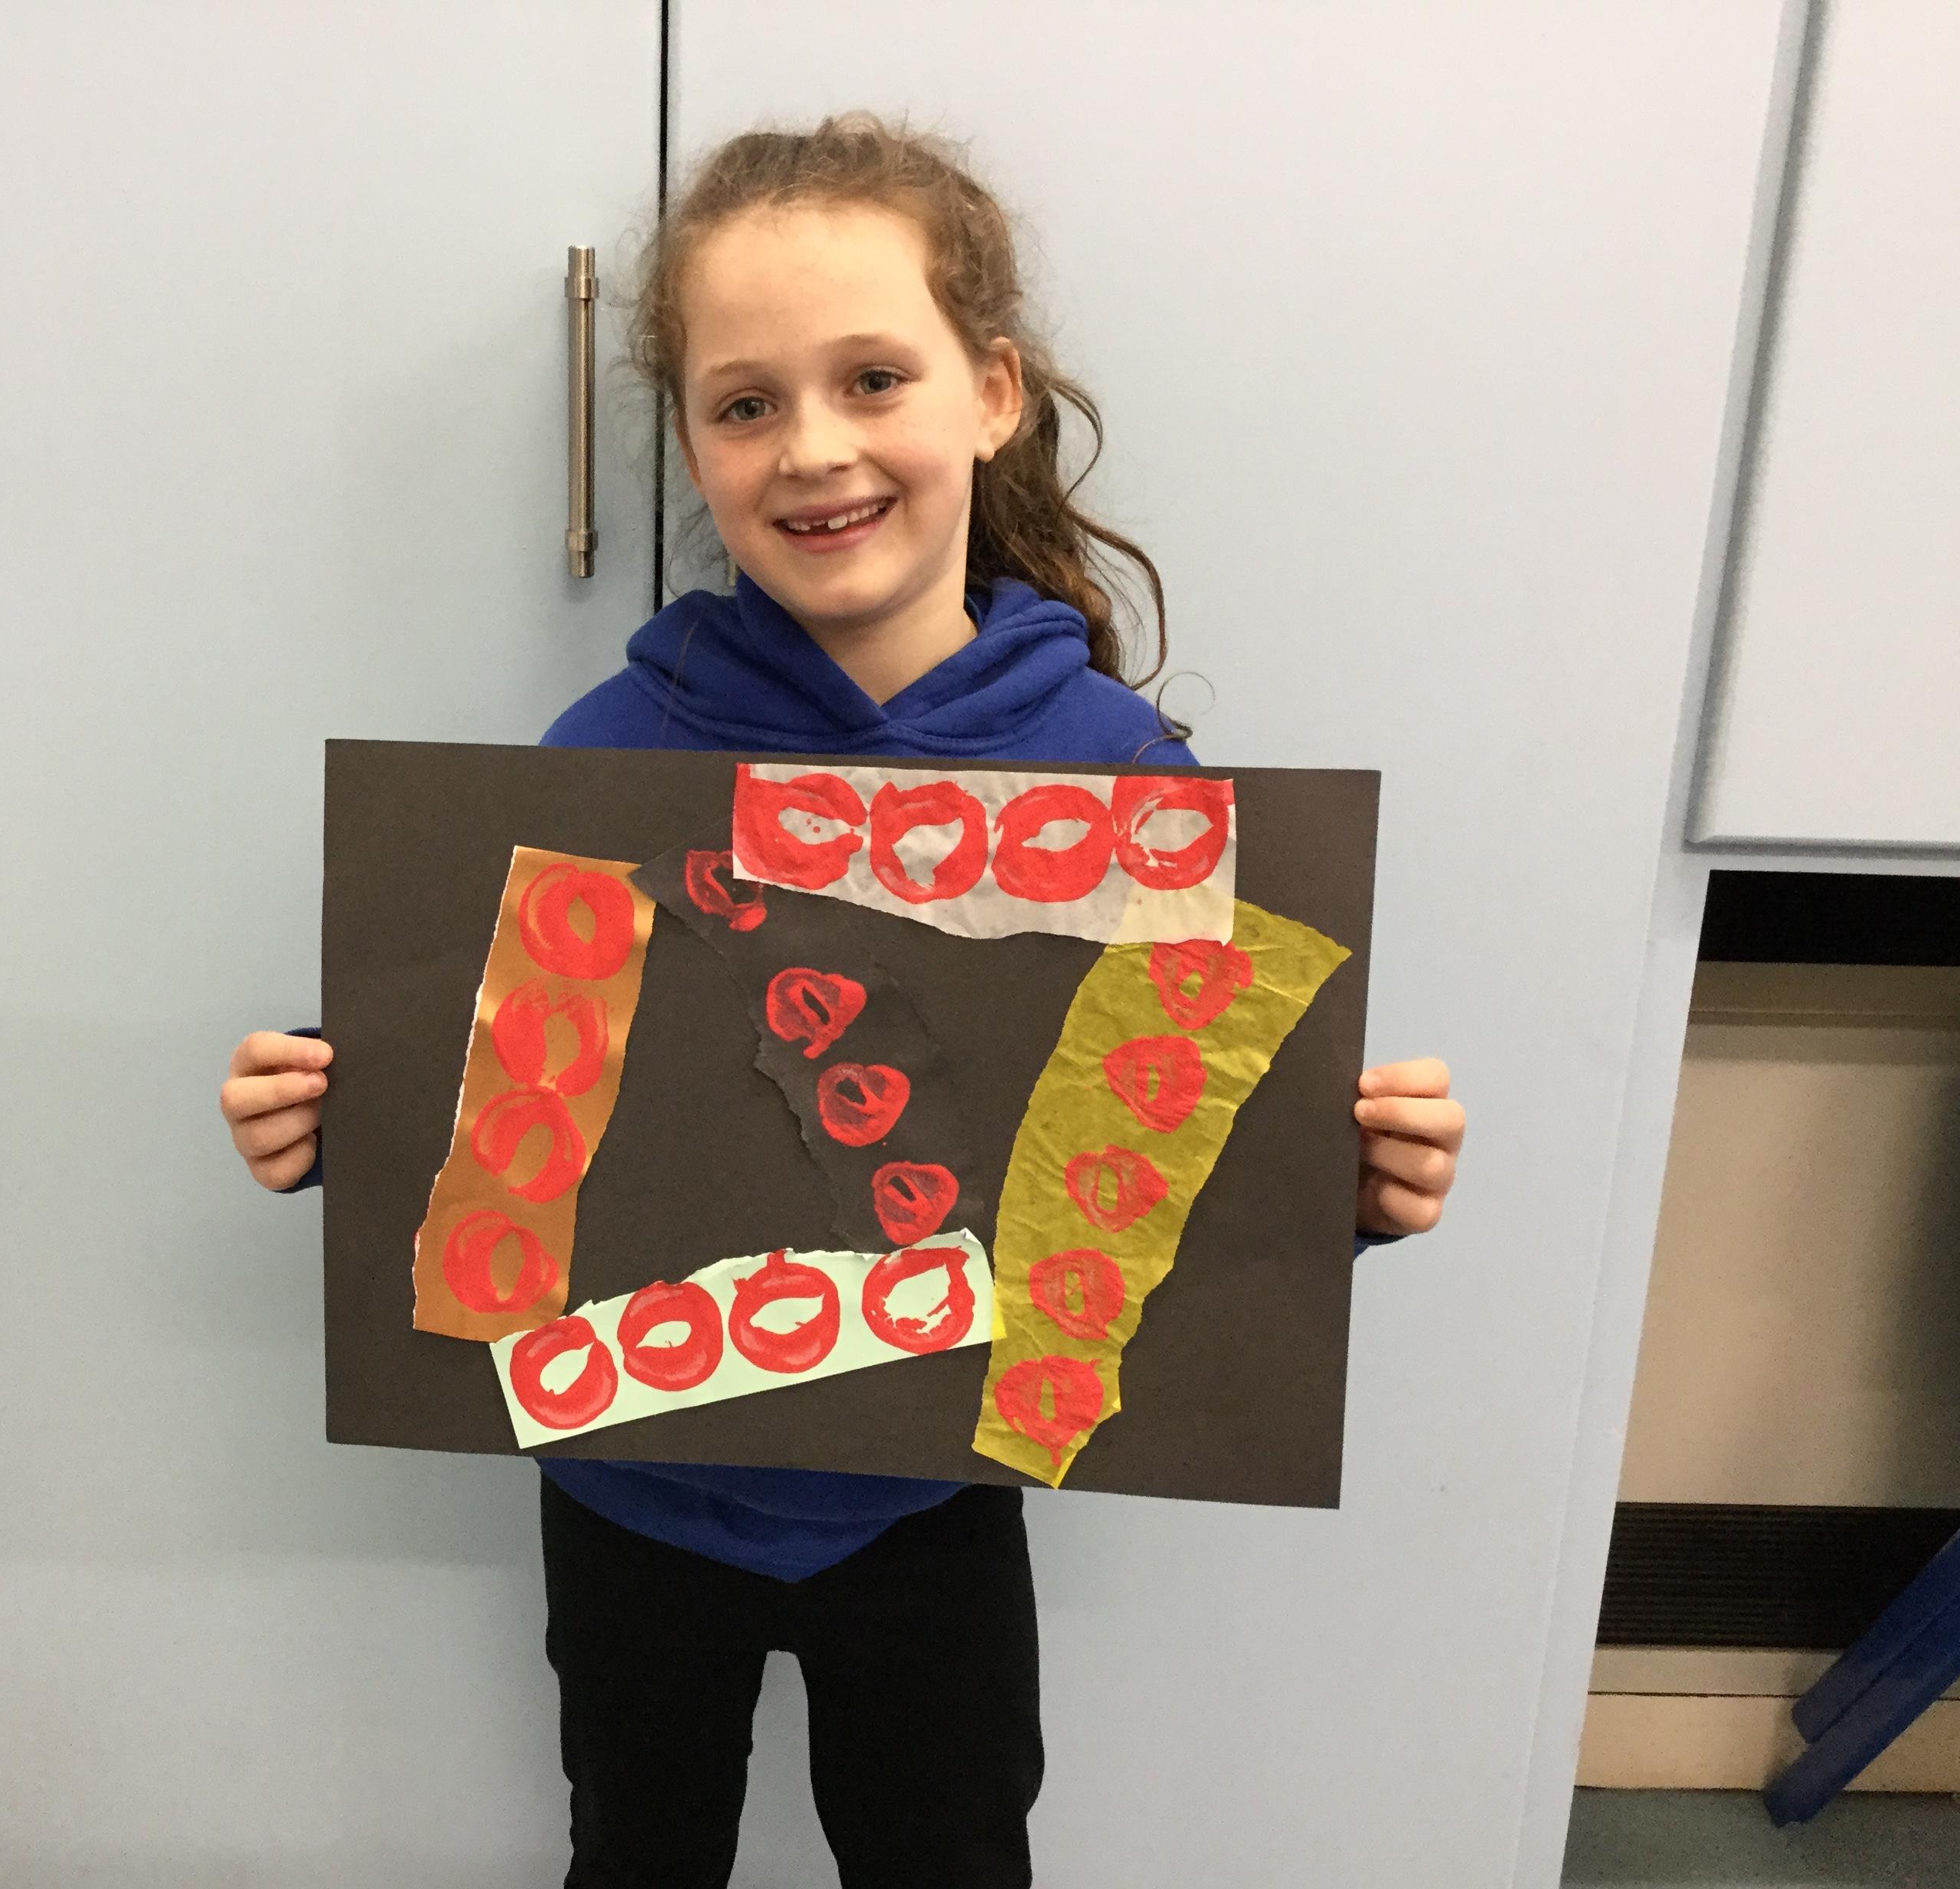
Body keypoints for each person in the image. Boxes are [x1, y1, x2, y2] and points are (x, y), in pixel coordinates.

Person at [220, 113, 1465, 1889]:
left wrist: (1347, 1193)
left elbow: (1185, 1164)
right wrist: (331, 1125)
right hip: (632, 1484)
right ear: (694, 444)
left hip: (931, 1498)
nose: (813, 447)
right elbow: (499, 1108)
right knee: (636, 1850)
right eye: (746, 404)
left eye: (873, 378)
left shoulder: (1124, 780)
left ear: (993, 393)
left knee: (947, 1856)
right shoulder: (604, 761)